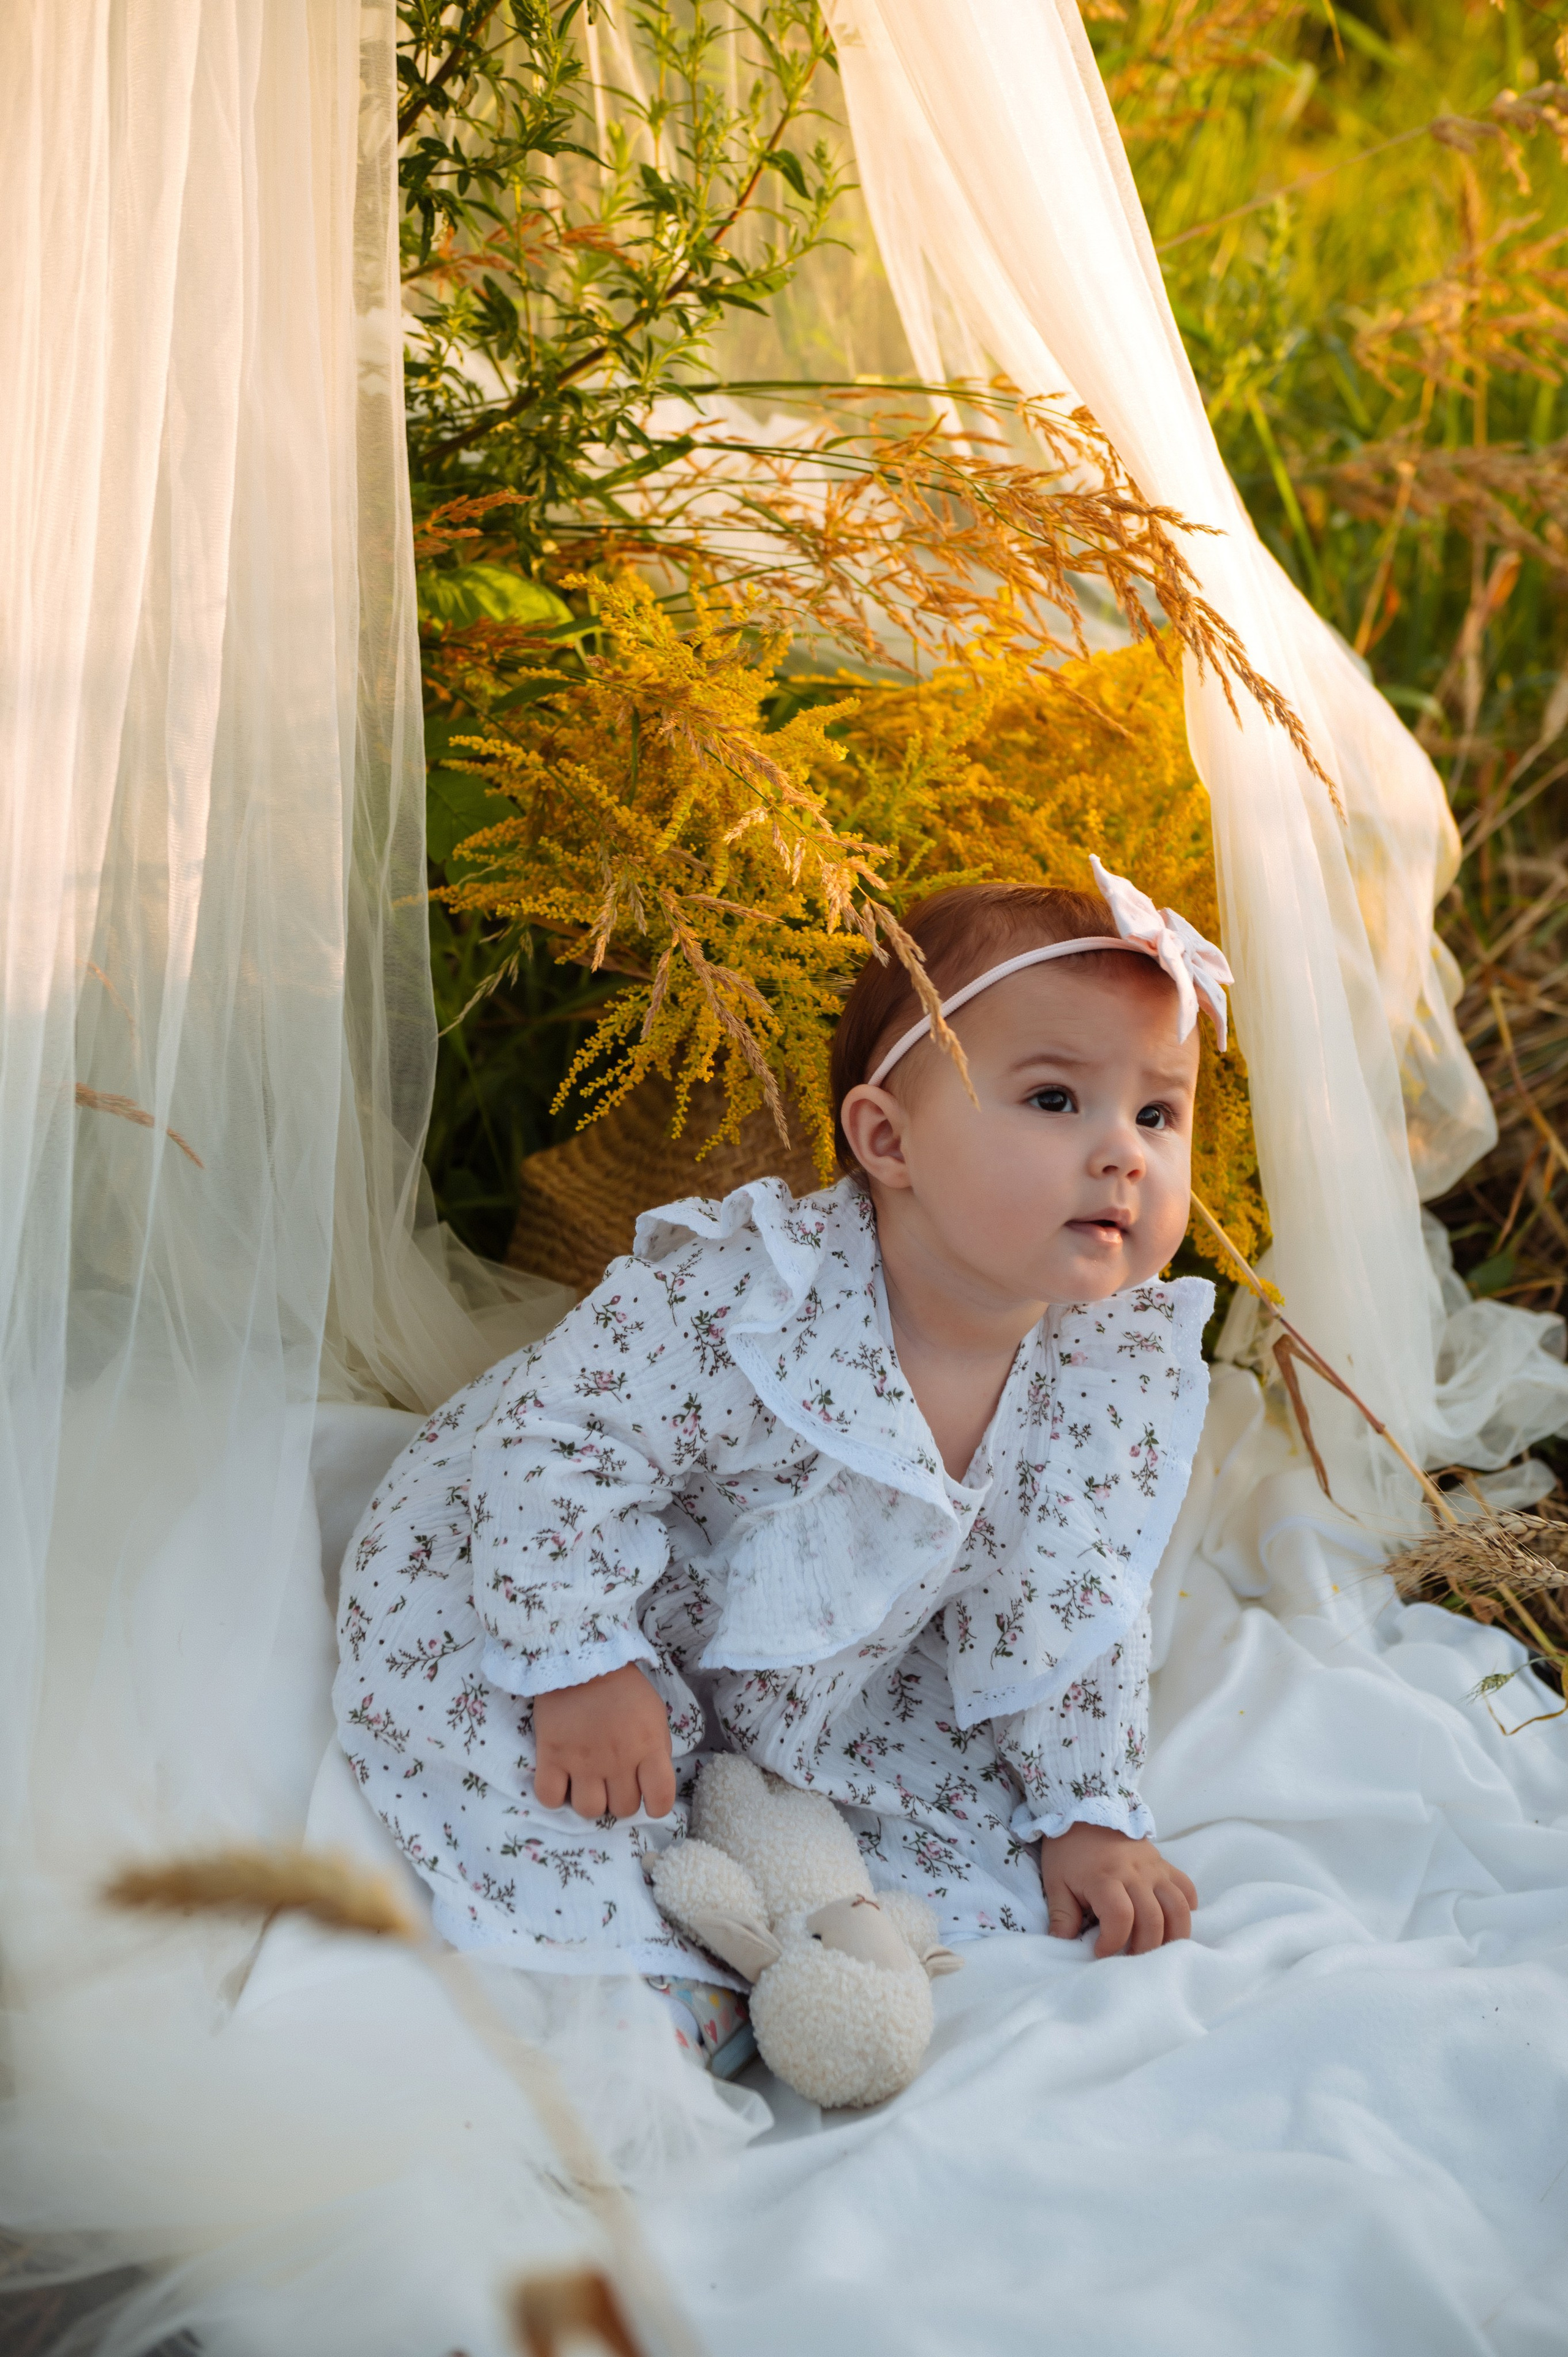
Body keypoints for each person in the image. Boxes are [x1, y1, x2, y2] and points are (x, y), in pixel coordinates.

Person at [334, 861, 1226, 2059]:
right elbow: (560, 1437)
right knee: (547, 1784)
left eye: (1155, 1113)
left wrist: (1086, 1813)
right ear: (885, 1138)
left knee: (903, 1818)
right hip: (568, 1575)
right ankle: (631, 1973)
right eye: (1055, 1100)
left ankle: (778, 1933)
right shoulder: (749, 1294)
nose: (1121, 1154)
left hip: (782, 1673)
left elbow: (1061, 1607)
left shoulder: (1090, 1372)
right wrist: (580, 1660)